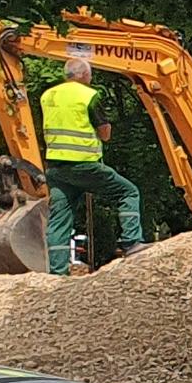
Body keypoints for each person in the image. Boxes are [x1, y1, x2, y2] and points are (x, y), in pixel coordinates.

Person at [38, 46, 146, 277]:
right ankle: (132, 243)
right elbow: (104, 131)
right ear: (85, 75)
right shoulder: (89, 95)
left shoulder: (48, 95)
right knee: (128, 193)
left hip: (56, 167)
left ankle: (56, 273)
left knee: (59, 218)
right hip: (85, 163)